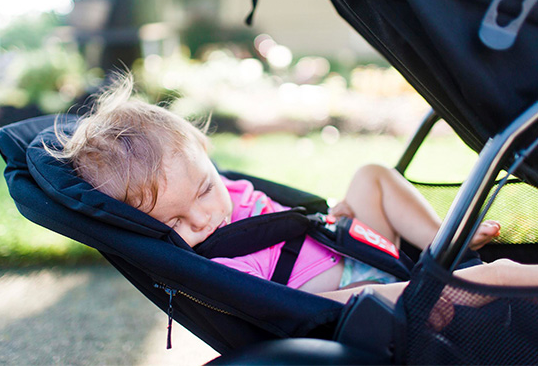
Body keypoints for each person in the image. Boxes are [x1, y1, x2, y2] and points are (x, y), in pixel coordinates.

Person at [47, 72, 505, 301]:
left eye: (205, 190)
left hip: (351, 247)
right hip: (361, 301)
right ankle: (458, 279)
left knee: (371, 176)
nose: (204, 217)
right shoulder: (217, 266)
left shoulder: (212, 184)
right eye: (176, 221)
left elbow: (280, 222)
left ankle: (443, 238)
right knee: (491, 279)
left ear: (208, 155)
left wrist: (333, 223)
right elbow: (287, 309)